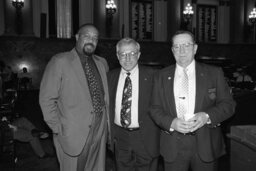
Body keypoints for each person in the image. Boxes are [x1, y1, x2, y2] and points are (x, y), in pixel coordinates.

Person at [150, 30, 236, 171]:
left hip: (206, 143)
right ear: (172, 50)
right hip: (173, 144)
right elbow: (154, 108)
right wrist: (171, 122)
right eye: (177, 46)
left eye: (187, 45)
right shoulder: (161, 76)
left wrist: (206, 116)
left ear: (195, 48)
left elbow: (229, 105)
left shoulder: (214, 73)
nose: (182, 50)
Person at [39, 23, 110, 171]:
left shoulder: (102, 63)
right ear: (77, 37)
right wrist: (58, 129)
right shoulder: (60, 61)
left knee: (95, 168)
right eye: (87, 36)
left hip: (99, 129)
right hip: (73, 131)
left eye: (95, 38)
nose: (91, 40)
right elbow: (46, 99)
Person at [108, 37, 159, 171]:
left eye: (132, 53)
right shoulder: (110, 77)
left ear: (139, 55)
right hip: (120, 137)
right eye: (123, 54)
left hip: (146, 137)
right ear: (117, 56)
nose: (128, 58)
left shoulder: (154, 76)